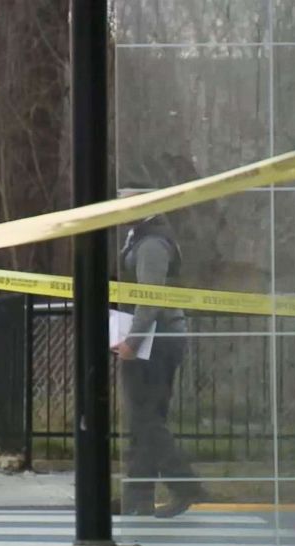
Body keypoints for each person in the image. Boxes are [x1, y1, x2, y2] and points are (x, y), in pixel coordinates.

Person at [113, 194, 205, 518]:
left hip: (156, 339)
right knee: (143, 420)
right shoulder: (141, 237)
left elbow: (149, 298)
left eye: (126, 203)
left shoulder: (152, 244)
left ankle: (185, 486)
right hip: (154, 337)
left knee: (146, 419)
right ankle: (137, 498)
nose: (119, 208)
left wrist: (132, 341)